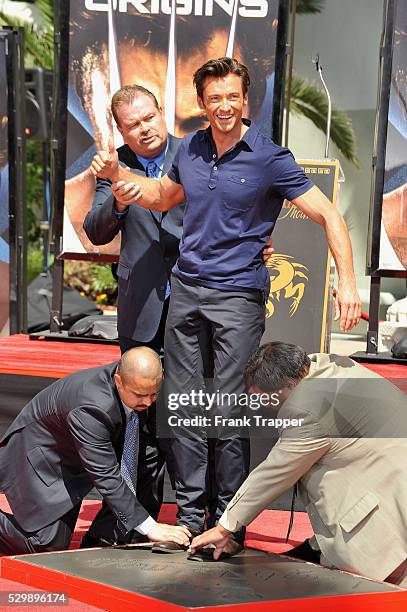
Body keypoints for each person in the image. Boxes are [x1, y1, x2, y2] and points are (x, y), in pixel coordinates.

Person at [90, 57, 361, 553]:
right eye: (214, 98)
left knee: (229, 411)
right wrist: (121, 178)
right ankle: (191, 518)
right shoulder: (190, 148)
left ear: (245, 98)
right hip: (187, 292)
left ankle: (229, 526)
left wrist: (347, 282)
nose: (224, 106)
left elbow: (328, 216)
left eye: (232, 96)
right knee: (187, 410)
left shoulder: (270, 156)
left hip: (238, 297)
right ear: (202, 103)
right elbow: (161, 196)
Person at [189, 342, 407, 586]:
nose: (262, 404)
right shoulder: (325, 364)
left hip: (389, 523)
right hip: (389, 478)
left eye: (265, 397)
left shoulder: (308, 408)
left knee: (384, 594)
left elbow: (273, 474)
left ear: (288, 386)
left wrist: (224, 527)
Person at [0, 347, 190, 555]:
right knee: (43, 546)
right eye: (139, 395)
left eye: (154, 394)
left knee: (149, 453)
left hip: (83, 451)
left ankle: (104, 536)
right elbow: (106, 476)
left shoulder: (141, 384)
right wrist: (151, 527)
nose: (147, 401)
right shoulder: (91, 408)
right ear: (118, 381)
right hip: (44, 458)